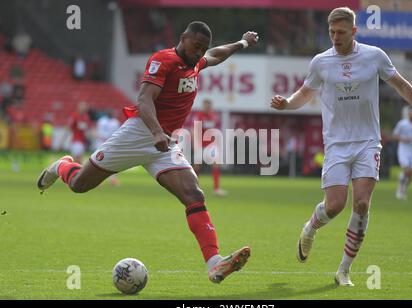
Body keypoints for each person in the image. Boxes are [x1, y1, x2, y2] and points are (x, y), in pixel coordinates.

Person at [37, 21, 258, 284]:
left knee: (193, 194)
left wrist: (242, 42)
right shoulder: (163, 60)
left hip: (165, 144)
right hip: (139, 134)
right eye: (196, 46)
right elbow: (144, 100)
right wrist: (155, 132)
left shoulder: (195, 63)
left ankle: (214, 262)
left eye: (203, 48)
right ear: (183, 38)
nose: (200, 52)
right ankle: (61, 166)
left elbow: (217, 54)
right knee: (79, 185)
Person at [270, 7, 412, 286]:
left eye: (341, 32)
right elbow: (305, 92)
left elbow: (401, 84)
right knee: (335, 205)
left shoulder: (374, 56)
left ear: (354, 31)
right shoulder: (321, 62)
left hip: (367, 142)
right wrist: (287, 104)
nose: (335, 37)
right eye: (331, 32)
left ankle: (344, 270)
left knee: (361, 203)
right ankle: (310, 228)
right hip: (337, 144)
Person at [192, 98, 227, 196]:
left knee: (216, 163)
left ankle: (216, 189)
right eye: (206, 106)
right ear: (203, 106)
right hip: (200, 145)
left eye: (209, 106)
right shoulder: (199, 116)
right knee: (197, 166)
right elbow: (194, 130)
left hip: (211, 146)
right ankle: (194, 187)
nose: (207, 108)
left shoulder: (214, 117)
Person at [392, 108, 412, 200]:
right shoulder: (402, 124)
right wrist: (403, 139)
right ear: (408, 114)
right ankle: (399, 190)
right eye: (411, 113)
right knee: (406, 170)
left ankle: (403, 189)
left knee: (410, 173)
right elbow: (395, 135)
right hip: (403, 149)